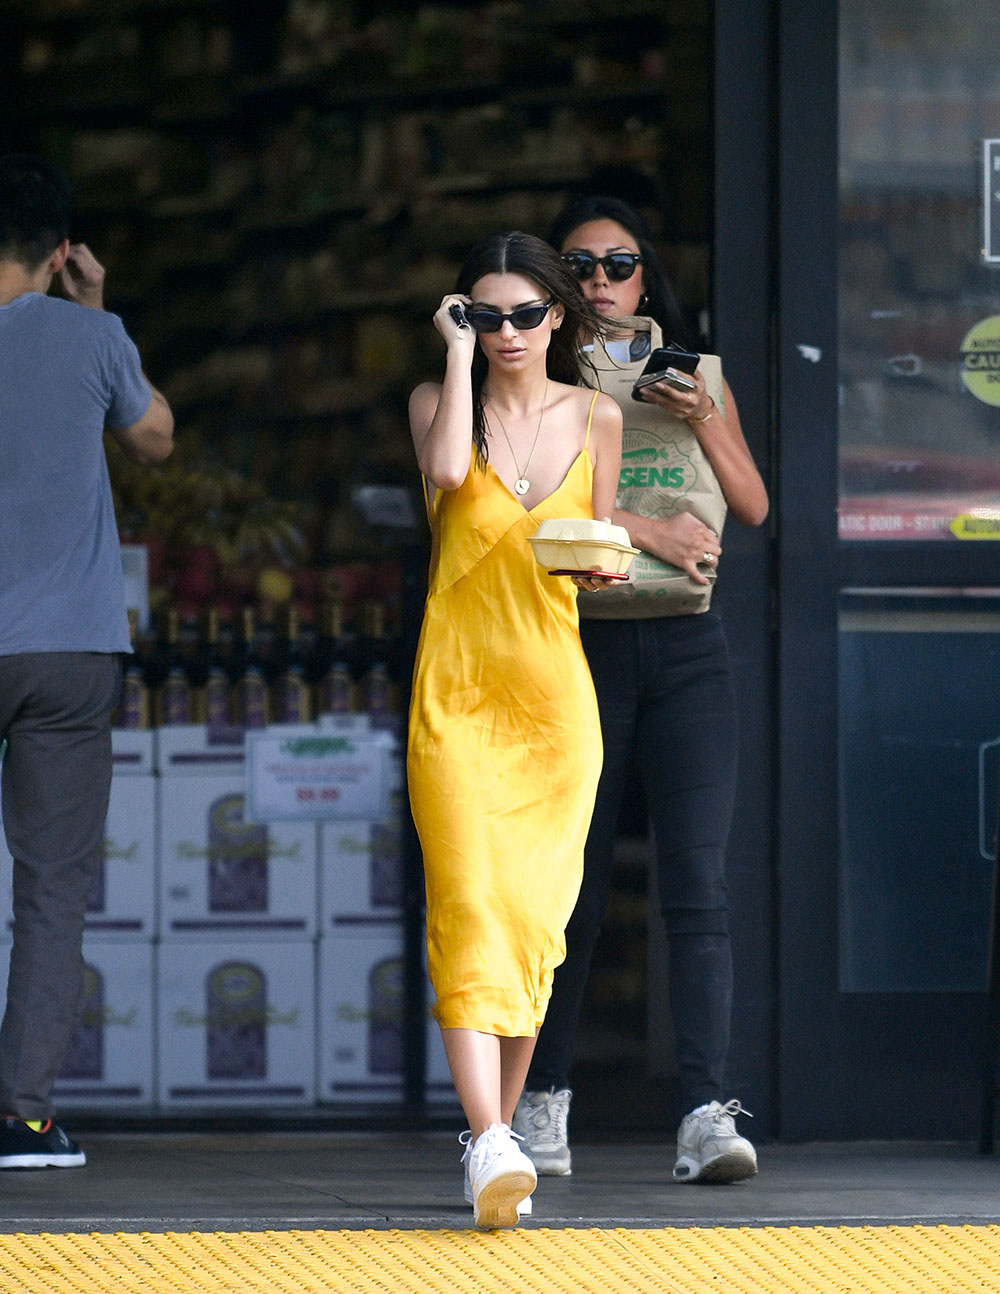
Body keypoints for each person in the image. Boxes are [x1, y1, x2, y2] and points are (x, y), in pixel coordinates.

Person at [513, 194, 769, 1184]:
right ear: (554, 285)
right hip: (580, 645)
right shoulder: (535, 374)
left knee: (698, 884)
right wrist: (648, 531)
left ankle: (704, 1110)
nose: (599, 284)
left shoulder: (693, 374)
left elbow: (750, 502)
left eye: (617, 265)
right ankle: (543, 1101)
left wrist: (704, 417)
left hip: (689, 648)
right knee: (567, 892)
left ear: (644, 275)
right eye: (577, 267)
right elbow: (523, 498)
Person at [406, 231, 623, 1227]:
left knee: (536, 919)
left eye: (523, 315)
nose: (505, 333)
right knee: (467, 899)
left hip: (552, 704)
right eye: (483, 316)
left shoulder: (598, 417)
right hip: (456, 694)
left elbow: (595, 550)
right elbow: (449, 476)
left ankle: (503, 1138)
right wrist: (452, 359)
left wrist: (604, 566)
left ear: (558, 317)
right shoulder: (437, 405)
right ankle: (487, 1135)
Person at [0, 154, 174, 1168]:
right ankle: (21, 1116)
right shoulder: (92, 334)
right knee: (50, 886)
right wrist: (101, 308)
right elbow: (154, 437)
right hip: (65, 650)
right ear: (61, 251)